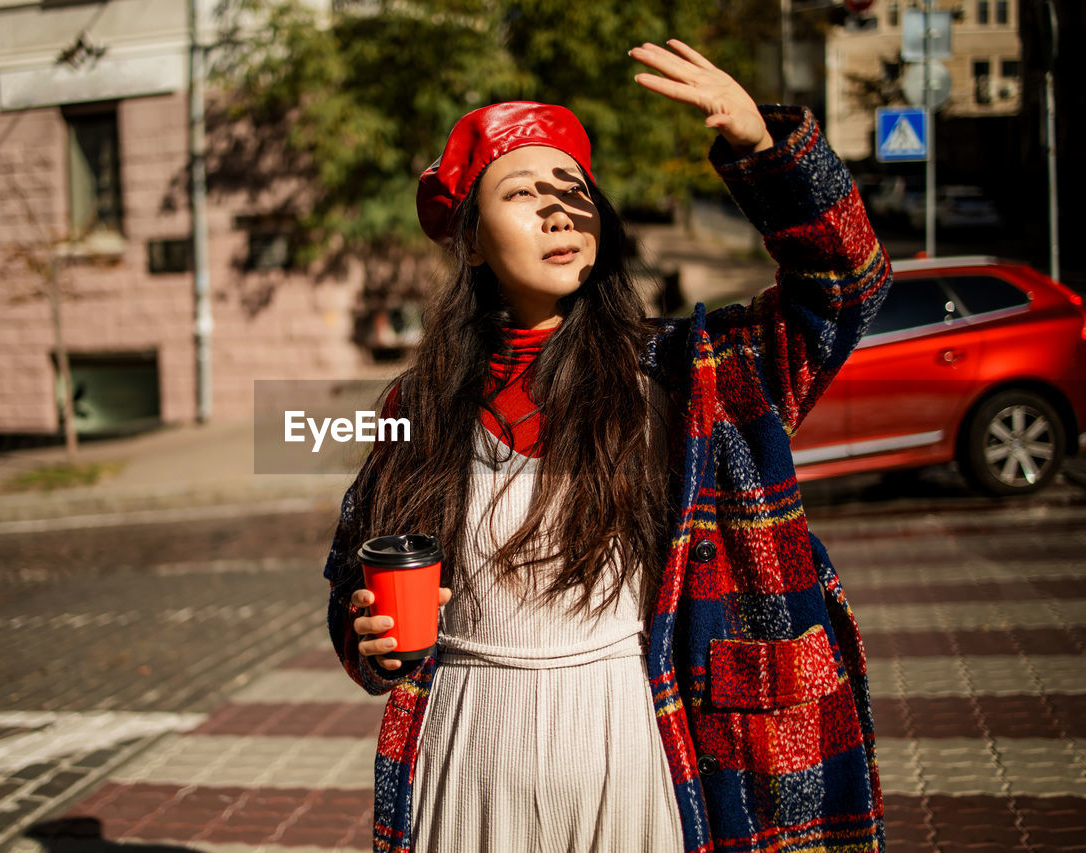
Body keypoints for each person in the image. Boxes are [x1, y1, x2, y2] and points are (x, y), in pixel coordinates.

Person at [322, 38, 889, 853]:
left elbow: (848, 285)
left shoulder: (689, 375)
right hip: (467, 746)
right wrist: (366, 636)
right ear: (472, 241)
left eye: (575, 191)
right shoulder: (417, 407)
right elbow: (354, 575)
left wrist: (763, 150)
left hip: (631, 734)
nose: (559, 210)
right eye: (521, 192)